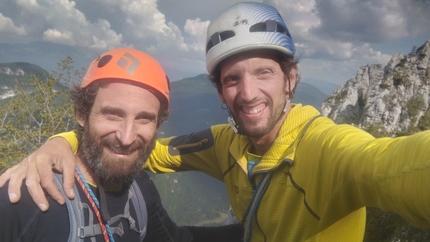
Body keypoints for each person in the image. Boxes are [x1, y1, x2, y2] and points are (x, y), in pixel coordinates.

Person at [2, 2, 430, 241]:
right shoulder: (225, 143)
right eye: (232, 79)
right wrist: (63, 144)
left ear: (291, 79)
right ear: (220, 89)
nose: (247, 93)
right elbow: (139, 149)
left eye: (264, 72)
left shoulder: (327, 150)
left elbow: (393, 165)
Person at [0, 47, 242, 242]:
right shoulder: (24, 199)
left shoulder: (139, 190)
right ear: (82, 114)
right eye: (112, 115)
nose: (126, 138)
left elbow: (176, 238)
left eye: (144, 119)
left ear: (157, 126)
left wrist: (261, 233)